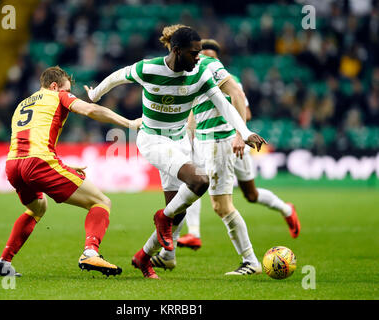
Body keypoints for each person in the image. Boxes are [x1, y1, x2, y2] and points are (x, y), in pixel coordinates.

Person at [87, 26, 267, 278]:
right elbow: (118, 76)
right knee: (199, 181)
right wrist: (95, 94)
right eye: (194, 53)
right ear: (177, 50)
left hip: (180, 141)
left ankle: (144, 256)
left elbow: (223, 105)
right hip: (153, 140)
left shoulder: (201, 72)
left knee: (178, 211)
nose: (198, 58)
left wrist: (245, 133)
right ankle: (163, 218)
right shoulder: (148, 68)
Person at [0, 66, 141, 277]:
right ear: (55, 86)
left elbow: (33, 141)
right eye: (67, 88)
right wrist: (129, 123)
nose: (68, 92)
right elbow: (90, 110)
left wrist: (64, 166)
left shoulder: (23, 103)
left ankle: (3, 262)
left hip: (13, 164)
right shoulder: (58, 95)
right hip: (39, 163)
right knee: (101, 201)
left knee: (37, 208)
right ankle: (90, 252)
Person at [148, 32, 264, 276]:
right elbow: (193, 111)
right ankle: (168, 255)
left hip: (218, 142)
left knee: (222, 206)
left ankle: (251, 261)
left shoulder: (209, 66)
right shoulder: (186, 73)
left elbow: (237, 94)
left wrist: (239, 133)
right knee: (184, 195)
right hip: (201, 142)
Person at [176, 39, 301, 252]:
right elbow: (193, 112)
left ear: (218, 59)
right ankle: (194, 234)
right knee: (194, 183)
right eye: (202, 55)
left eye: (210, 57)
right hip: (208, 142)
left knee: (250, 195)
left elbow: (246, 110)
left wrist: (238, 134)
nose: (205, 60)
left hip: (234, 142)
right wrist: (189, 137)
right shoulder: (194, 76)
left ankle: (286, 209)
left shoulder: (230, 79)